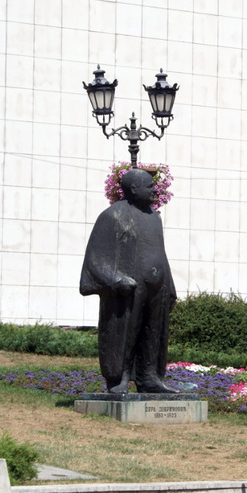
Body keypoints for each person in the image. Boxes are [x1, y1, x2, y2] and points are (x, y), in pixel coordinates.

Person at [80, 169, 179, 394]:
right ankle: (119, 379)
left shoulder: (154, 217)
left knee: (153, 333)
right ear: (133, 189)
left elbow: (160, 253)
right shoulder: (112, 215)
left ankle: (149, 377)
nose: (155, 189)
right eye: (149, 186)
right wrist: (115, 280)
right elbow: (95, 258)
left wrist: (169, 285)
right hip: (128, 289)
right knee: (125, 333)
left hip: (156, 288)